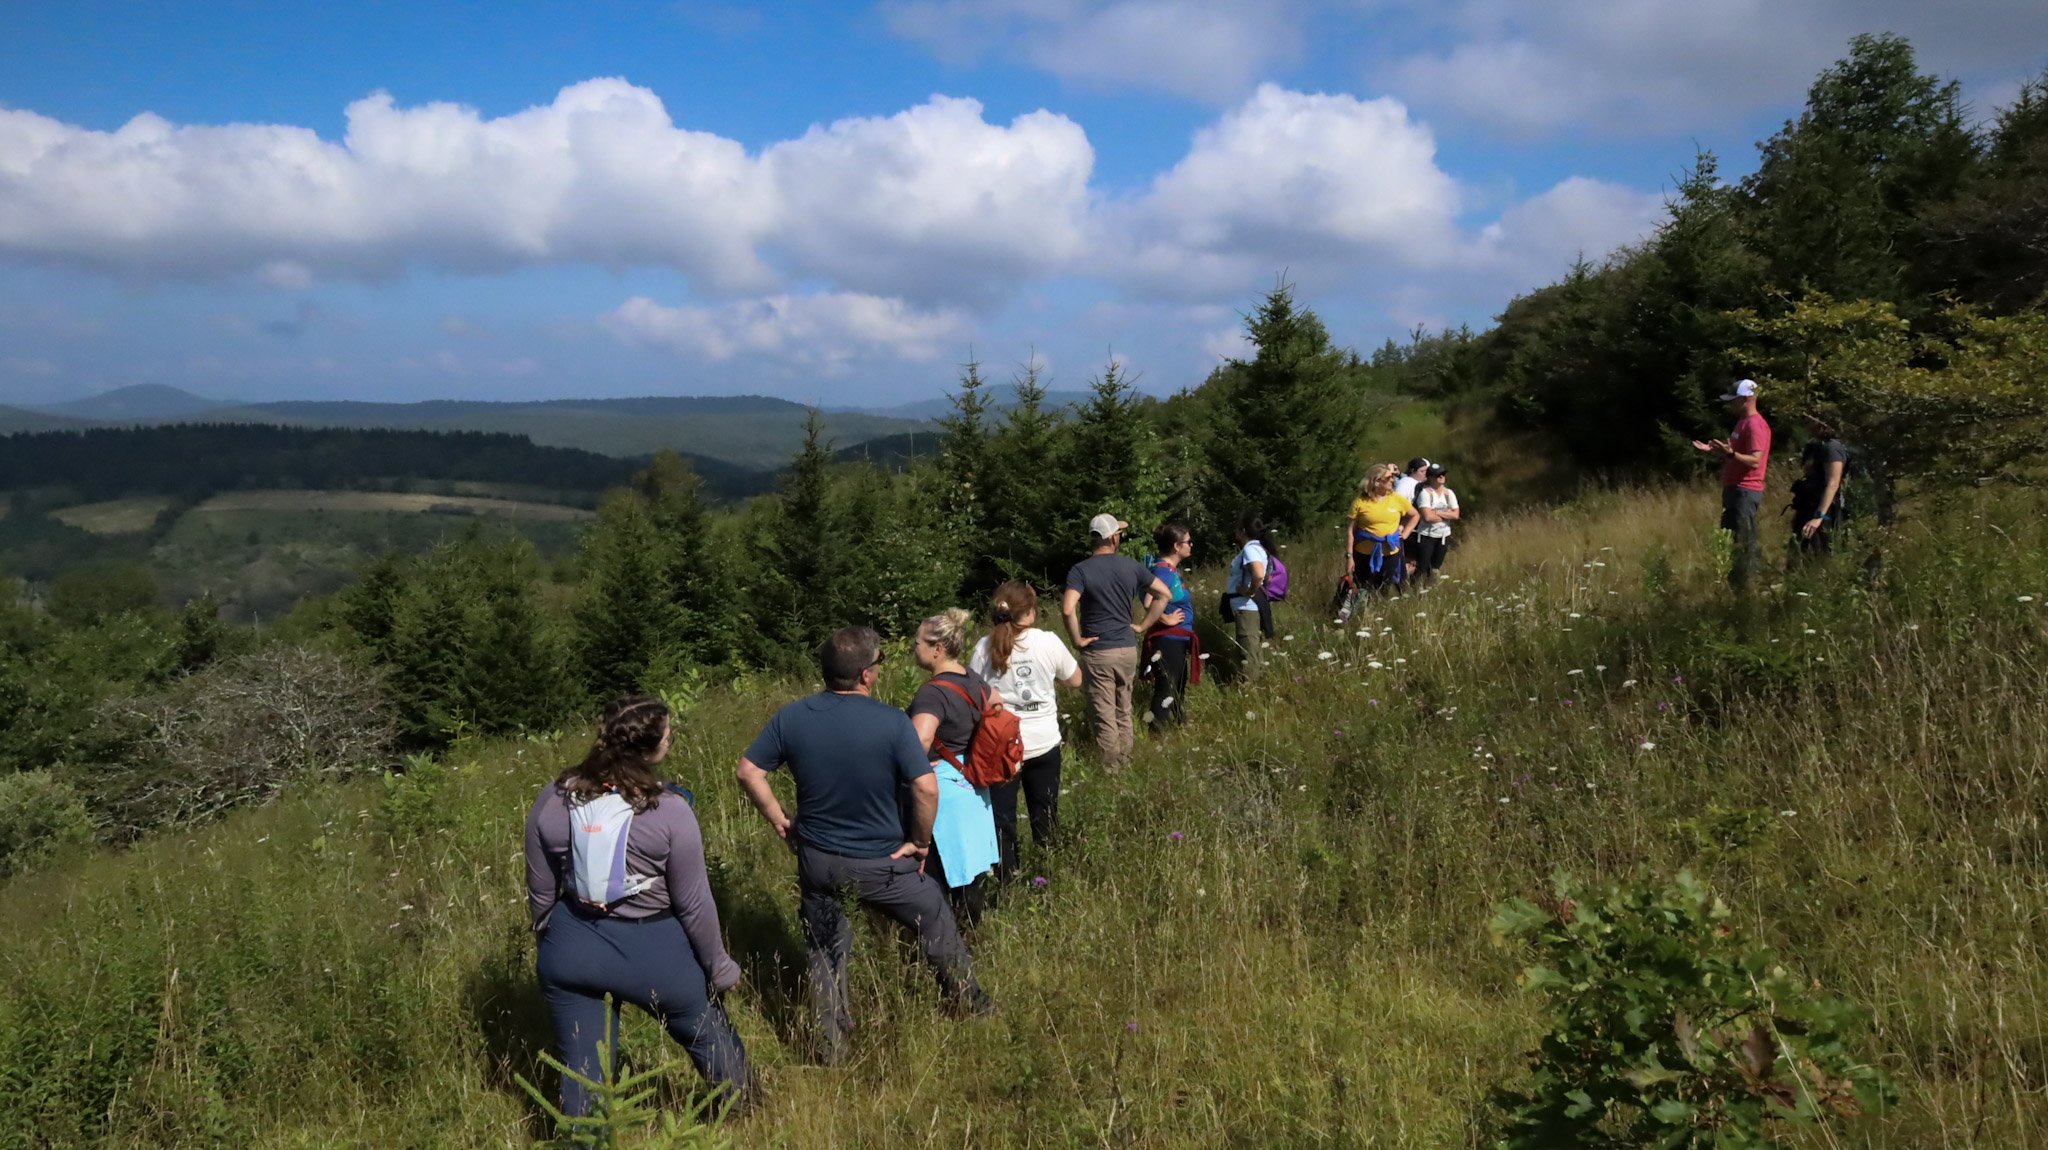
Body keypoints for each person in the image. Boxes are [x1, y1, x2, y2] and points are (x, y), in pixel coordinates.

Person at [735, 627, 989, 1064]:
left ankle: (832, 1049)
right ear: (867, 675)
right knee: (933, 916)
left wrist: (781, 821)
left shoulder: (792, 717)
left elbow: (748, 770)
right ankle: (971, 1004)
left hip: (818, 861)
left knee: (825, 948)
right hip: (884, 863)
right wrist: (919, 842)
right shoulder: (891, 722)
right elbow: (926, 788)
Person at [525, 696, 751, 1116]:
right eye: (668, 732)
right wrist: (720, 967)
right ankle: (748, 1114)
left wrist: (551, 939)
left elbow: (540, 891)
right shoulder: (670, 811)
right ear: (655, 748)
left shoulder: (554, 798)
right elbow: (695, 903)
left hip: (572, 941)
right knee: (707, 1035)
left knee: (583, 1066)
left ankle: (583, 1141)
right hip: (655, 951)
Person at [968, 581, 1080, 884]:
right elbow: (1075, 680)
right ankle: (1047, 876)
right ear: (1029, 612)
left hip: (1002, 748)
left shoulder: (983, 647)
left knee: (1002, 820)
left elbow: (974, 695)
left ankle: (1007, 881)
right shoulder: (1048, 642)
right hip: (1044, 743)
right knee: (1045, 815)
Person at [906, 608, 1002, 924]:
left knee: (937, 876)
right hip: (973, 785)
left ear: (938, 648)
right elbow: (997, 702)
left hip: (942, 792)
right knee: (970, 877)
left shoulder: (932, 693)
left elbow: (919, 741)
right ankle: (971, 936)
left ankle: (942, 945)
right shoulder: (972, 679)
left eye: (918, 641)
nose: (913, 646)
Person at [1061, 513, 1177, 770]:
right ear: (1113, 538)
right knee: (1123, 709)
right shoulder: (1132, 566)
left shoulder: (1080, 571)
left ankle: (1113, 773)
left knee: (1104, 714)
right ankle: (1126, 764)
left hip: (1098, 651)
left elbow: (1068, 609)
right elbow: (1164, 594)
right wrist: (1144, 625)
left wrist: (1077, 640)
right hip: (1126, 648)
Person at [1692, 379, 1772, 590]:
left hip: (1745, 491)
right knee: (1731, 538)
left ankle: (1748, 588)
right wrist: (1719, 452)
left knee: (1744, 541)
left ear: (1746, 399)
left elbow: (1755, 460)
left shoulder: (1755, 425)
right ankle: (1736, 586)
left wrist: (1731, 453)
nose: (1730, 405)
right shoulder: (1742, 422)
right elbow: (1734, 456)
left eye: (1733, 400)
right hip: (1735, 490)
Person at [1340, 463, 1418, 622]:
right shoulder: (1361, 502)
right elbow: (1350, 531)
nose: (1393, 480)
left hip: (1390, 552)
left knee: (1383, 586)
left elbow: (1415, 515)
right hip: (1363, 553)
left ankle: (1376, 616)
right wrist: (1349, 557)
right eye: (1388, 478)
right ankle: (1357, 616)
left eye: (1393, 477)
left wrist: (1405, 533)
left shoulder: (1397, 499)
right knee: (1362, 586)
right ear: (1376, 481)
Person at [1142, 523, 1198, 728]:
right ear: (1176, 546)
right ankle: (1156, 730)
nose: (1191, 545)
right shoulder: (1163, 572)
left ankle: (1179, 724)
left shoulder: (1169, 571)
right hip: (1168, 639)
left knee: (1177, 686)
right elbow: (1149, 602)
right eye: (1188, 542)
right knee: (1166, 687)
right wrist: (1166, 619)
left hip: (1177, 637)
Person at [1789, 408, 1850, 563]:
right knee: (1798, 555)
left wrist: (1819, 517)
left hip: (1822, 510)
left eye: (1811, 420)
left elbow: (1833, 483)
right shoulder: (1816, 446)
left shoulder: (1832, 448)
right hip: (1808, 506)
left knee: (1820, 556)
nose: (1807, 424)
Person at [1224, 513, 1273, 678]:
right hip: (1247, 607)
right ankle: (1256, 683)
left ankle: (1250, 686)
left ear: (1243, 531)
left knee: (1248, 650)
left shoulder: (1250, 549)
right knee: (1251, 647)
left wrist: (1249, 591)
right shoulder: (1257, 548)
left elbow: (1259, 574)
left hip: (1247, 607)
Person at [1409, 464, 1461, 590]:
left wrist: (1436, 513)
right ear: (1431, 477)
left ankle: (1430, 589)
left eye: (1443, 474)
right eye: (1438, 475)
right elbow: (1427, 517)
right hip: (1426, 535)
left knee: (1435, 568)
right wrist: (1446, 514)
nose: (1441, 477)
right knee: (1422, 566)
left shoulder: (1449, 493)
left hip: (1443, 535)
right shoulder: (1425, 494)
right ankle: (1415, 589)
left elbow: (1456, 515)